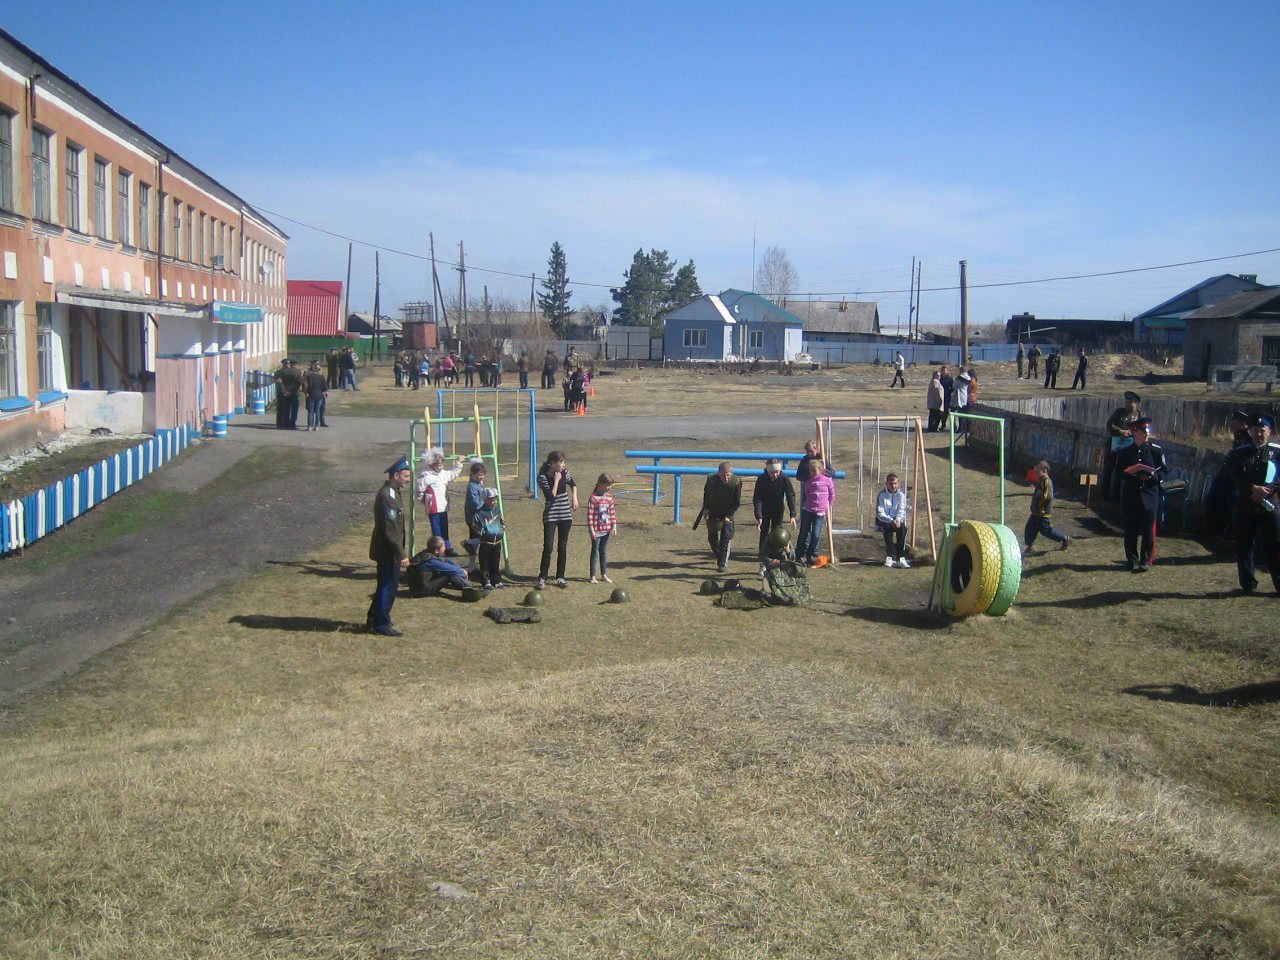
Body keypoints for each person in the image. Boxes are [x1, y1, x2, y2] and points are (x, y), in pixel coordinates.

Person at [1228, 414, 1280, 594]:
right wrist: (1252, 489)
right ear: (1251, 431)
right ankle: (1248, 584)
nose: (1258, 434)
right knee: (1245, 545)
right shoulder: (1240, 452)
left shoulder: (1276, 451)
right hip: (1246, 504)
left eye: (1262, 431)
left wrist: (1267, 490)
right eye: (1255, 431)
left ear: (1269, 431)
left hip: (1270, 506)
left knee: (1274, 545)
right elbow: (1235, 475)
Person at [366, 457, 412, 636]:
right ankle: (382, 624)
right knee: (388, 586)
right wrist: (401, 555)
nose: (408, 479)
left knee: (384, 586)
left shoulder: (393, 492)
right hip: (388, 552)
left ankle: (374, 619)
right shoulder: (388, 497)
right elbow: (391, 530)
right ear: (396, 475)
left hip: (389, 550)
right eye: (406, 476)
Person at [1116, 417, 1166, 572]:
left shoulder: (1155, 451)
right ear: (1135, 432)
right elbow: (1119, 473)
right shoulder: (1125, 452)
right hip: (1132, 495)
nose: (1146, 434)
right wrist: (1134, 475)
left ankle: (1146, 560)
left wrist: (1153, 477)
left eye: (1147, 431)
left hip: (1150, 495)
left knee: (1148, 530)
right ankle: (1132, 559)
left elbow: (1164, 471)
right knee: (1130, 529)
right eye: (1143, 431)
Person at [1205, 410, 1254, 537]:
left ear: (1244, 424)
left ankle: (1222, 528)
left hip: (1234, 477)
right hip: (1225, 474)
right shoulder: (1238, 437)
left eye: (1235, 425)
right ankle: (1213, 527)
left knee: (1225, 500)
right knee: (1212, 498)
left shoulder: (1246, 438)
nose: (1232, 428)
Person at [415, 448, 468, 556]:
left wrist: (458, 463)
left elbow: (453, 474)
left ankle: (447, 547)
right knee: (437, 530)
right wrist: (424, 501)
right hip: (433, 508)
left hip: (443, 507)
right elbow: (418, 489)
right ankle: (437, 549)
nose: (441, 466)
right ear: (431, 464)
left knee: (445, 528)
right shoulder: (426, 476)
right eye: (438, 464)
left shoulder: (443, 474)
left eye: (442, 463)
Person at [537, 450, 578, 589]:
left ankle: (560, 576)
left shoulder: (565, 472)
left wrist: (574, 498)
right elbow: (551, 497)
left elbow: (573, 484)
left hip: (565, 515)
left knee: (562, 547)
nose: (563, 465)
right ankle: (542, 577)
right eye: (561, 462)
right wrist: (556, 480)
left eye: (564, 462)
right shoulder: (542, 477)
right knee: (548, 547)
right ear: (553, 464)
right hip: (551, 516)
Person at [701, 461, 742, 573]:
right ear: (718, 473)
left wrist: (729, 515)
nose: (726, 477)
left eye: (728, 475)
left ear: (731, 473)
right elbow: (706, 495)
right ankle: (720, 555)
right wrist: (706, 509)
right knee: (712, 538)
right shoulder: (711, 480)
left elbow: (736, 502)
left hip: (728, 513)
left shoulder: (736, 482)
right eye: (723, 475)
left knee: (726, 537)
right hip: (713, 512)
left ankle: (722, 563)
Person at [753, 458, 797, 560]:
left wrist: (792, 515)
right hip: (765, 508)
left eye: (777, 472)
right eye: (772, 472)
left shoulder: (784, 478)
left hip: (778, 509)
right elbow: (757, 498)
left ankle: (775, 554)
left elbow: (790, 496)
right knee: (763, 532)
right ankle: (763, 555)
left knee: (776, 532)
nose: (775, 475)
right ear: (768, 471)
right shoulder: (762, 479)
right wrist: (759, 516)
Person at [1023, 460, 1070, 556]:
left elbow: (1047, 496)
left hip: (1042, 512)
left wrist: (1040, 506)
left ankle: (1064, 538)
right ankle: (1030, 546)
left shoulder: (1047, 482)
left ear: (1044, 471)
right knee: (1029, 528)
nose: (1035, 473)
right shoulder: (1041, 481)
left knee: (1045, 531)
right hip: (1036, 512)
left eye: (1037, 471)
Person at [1102, 391, 1142, 500]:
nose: (1128, 404)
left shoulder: (1139, 415)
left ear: (1135, 403)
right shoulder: (1119, 412)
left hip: (1128, 447)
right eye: (1127, 401)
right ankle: (1103, 494)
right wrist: (1120, 431)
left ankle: (1116, 495)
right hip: (1114, 443)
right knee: (1108, 469)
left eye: (1130, 402)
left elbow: (1143, 430)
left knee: (1121, 472)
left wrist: (1131, 432)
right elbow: (1109, 424)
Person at [797, 458, 836, 566]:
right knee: (804, 533)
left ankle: (810, 555)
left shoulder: (827, 480)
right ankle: (799, 554)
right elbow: (807, 494)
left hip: (820, 513)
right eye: (810, 471)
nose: (812, 473)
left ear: (821, 470)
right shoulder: (809, 482)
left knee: (816, 535)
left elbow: (832, 494)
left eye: (815, 470)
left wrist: (828, 505)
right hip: (808, 510)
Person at [470, 487, 506, 593]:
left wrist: (501, 530)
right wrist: (483, 531)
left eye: (495, 499)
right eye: (491, 499)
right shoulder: (480, 513)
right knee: (485, 562)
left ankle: (496, 579)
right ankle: (486, 580)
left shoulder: (498, 510)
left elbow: (502, 522)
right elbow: (475, 526)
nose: (494, 501)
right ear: (485, 499)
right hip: (486, 542)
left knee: (495, 561)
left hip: (497, 541)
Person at [587, 473, 618, 584]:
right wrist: (592, 530)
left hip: (606, 530)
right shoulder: (593, 498)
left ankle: (603, 574)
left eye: (610, 486)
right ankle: (592, 576)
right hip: (596, 531)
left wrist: (614, 525)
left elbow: (612, 513)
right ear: (600, 484)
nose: (609, 488)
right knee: (595, 552)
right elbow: (590, 515)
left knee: (603, 552)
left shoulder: (609, 498)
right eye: (607, 485)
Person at [875, 473, 910, 567]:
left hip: (897, 519)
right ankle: (890, 556)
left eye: (895, 483)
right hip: (884, 519)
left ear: (898, 484)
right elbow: (880, 511)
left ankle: (901, 557)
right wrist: (891, 521)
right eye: (891, 484)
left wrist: (898, 520)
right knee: (887, 529)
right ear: (886, 484)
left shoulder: (901, 495)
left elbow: (902, 509)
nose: (893, 486)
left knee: (903, 529)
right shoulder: (882, 495)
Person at [462, 459, 488, 575]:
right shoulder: (472, 486)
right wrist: (487, 503)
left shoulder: (477, 485)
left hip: (478, 518)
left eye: (482, 474)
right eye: (479, 474)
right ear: (472, 474)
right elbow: (476, 504)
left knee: (475, 546)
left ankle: (471, 568)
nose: (481, 477)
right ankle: (467, 542)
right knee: (483, 539)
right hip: (474, 519)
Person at [274, 359, 302, 429]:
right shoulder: (298, 372)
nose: (287, 365)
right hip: (293, 393)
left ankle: (285, 424)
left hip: (285, 393)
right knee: (291, 410)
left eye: (288, 364)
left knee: (285, 409)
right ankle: (290, 424)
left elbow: (280, 383)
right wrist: (292, 391)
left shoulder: (280, 372)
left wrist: (285, 392)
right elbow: (298, 383)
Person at [303, 360, 328, 431]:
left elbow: (310, 385)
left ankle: (312, 425)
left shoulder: (320, 372)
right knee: (314, 410)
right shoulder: (307, 372)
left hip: (313, 393)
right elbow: (305, 382)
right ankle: (316, 425)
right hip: (318, 393)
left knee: (317, 410)